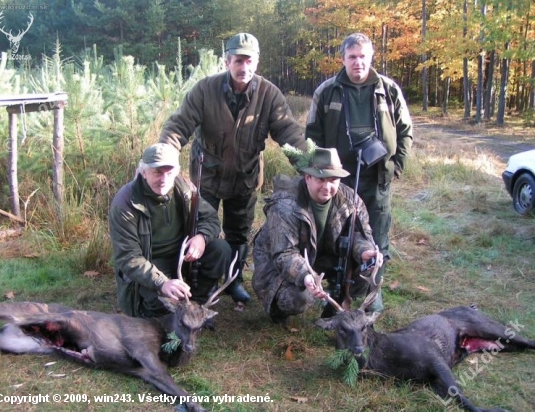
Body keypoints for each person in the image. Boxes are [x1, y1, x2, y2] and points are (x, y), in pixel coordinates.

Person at [159, 32, 307, 307]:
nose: (244, 67)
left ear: (257, 62)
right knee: (200, 230)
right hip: (207, 178)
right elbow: (178, 127)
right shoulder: (204, 90)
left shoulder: (268, 94)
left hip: (245, 178)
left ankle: (234, 280)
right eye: (238, 60)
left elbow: (289, 134)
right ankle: (202, 282)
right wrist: (164, 159)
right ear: (227, 61)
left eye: (249, 61)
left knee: (239, 233)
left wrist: (309, 167)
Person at [305, 33, 413, 311]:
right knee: (338, 238)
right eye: (352, 57)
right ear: (342, 59)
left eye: (363, 56)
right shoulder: (326, 91)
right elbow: (312, 135)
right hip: (337, 183)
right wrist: (321, 175)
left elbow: (405, 132)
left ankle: (369, 295)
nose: (358, 62)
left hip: (376, 181)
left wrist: (394, 167)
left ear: (371, 58)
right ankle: (338, 294)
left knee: (376, 241)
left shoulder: (388, 89)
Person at [252, 147, 382, 325]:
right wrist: (306, 276)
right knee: (300, 297)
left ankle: (336, 303)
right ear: (308, 178)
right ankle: (277, 308)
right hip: (276, 265)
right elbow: (284, 254)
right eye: (321, 179)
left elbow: (361, 232)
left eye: (333, 179)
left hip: (319, 256)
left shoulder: (350, 199)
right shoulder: (285, 205)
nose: (327, 186)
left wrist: (365, 251)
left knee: (365, 268)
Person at [109, 143, 231, 318]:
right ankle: (170, 309)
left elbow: (211, 218)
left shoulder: (185, 190)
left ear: (177, 171)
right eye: (157, 172)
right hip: (150, 263)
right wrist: (162, 283)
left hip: (183, 257)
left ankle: (197, 305)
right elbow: (128, 258)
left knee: (221, 249)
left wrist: (201, 238)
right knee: (160, 303)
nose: (164, 179)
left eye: (169, 172)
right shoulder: (125, 203)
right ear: (143, 172)